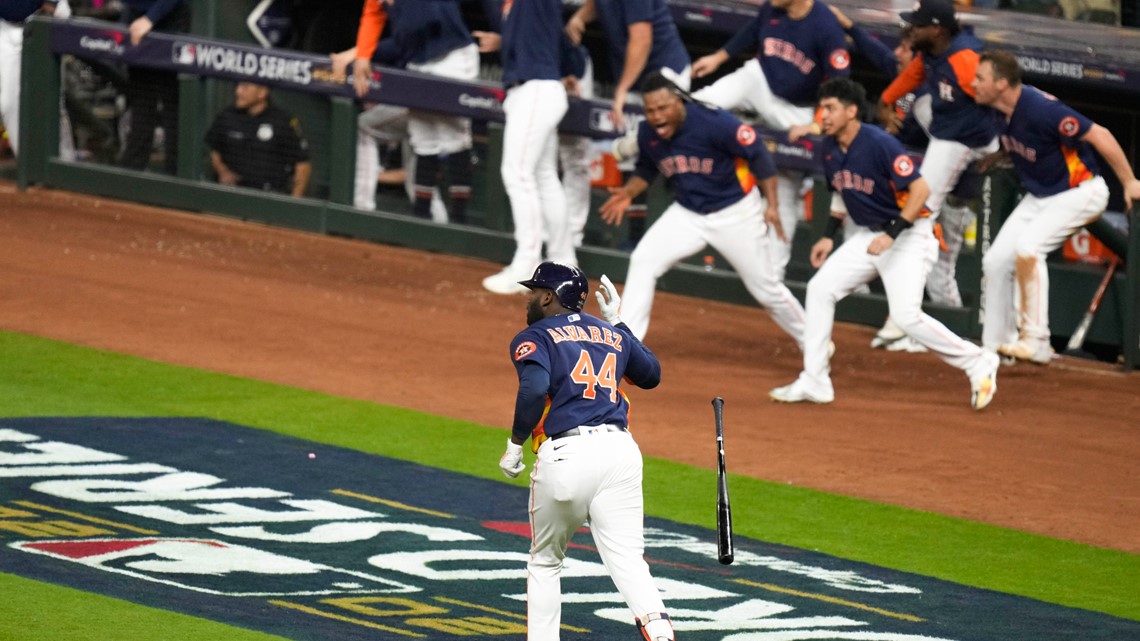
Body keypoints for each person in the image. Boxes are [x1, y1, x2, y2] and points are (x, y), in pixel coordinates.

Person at [769, 78, 999, 409]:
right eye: (822, 108)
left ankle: (978, 361)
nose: (825, 115)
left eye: (831, 108)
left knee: (906, 316)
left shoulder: (878, 142)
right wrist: (827, 235)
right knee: (820, 289)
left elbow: (920, 192)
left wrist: (891, 234)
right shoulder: (830, 148)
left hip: (909, 234)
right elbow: (840, 192)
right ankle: (815, 380)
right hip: (870, 236)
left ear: (851, 112)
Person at [498, 261, 675, 641]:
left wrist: (515, 444)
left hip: (568, 456)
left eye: (534, 292)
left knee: (545, 562)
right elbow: (651, 375)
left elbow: (533, 390)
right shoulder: (608, 332)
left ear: (548, 297)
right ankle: (660, 634)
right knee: (629, 561)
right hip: (621, 453)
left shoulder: (537, 334)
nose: (529, 299)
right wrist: (618, 324)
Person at [599, 73, 807, 343]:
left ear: (679, 102)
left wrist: (773, 206)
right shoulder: (649, 132)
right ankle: (627, 345)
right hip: (687, 214)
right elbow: (647, 169)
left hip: (735, 213)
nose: (656, 116)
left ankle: (813, 341)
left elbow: (758, 153)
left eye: (663, 108)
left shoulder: (714, 122)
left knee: (767, 290)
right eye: (650, 110)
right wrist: (629, 192)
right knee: (643, 261)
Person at [972, 50, 1140, 363]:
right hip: (1042, 195)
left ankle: (1036, 340)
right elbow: (1033, 147)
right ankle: (994, 349)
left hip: (1082, 191)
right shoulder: (997, 110)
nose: (974, 83)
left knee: (1029, 249)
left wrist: (1129, 181)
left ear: (1002, 83)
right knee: (996, 261)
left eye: (980, 78)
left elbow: (1099, 134)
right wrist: (998, 157)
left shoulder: (1040, 109)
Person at [830, 7, 978, 353]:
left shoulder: (935, 95)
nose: (897, 53)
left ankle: (952, 331)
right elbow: (877, 52)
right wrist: (850, 25)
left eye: (906, 48)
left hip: (948, 192)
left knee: (941, 270)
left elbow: (950, 150)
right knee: (871, 240)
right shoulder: (905, 76)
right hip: (912, 195)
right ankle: (893, 319)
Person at [689, 0, 852, 281]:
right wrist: (719, 57)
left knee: (786, 189)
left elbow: (842, 86)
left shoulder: (825, 26)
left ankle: (771, 276)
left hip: (796, 109)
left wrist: (816, 122)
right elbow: (753, 30)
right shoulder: (772, 9)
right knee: (699, 105)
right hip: (760, 81)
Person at [874, 0, 998, 328]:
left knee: (920, 206)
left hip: (965, 139)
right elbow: (910, 78)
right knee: (922, 103)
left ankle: (904, 316)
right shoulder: (931, 54)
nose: (910, 29)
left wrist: (1004, 144)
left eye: (917, 25)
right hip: (950, 130)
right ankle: (915, 314)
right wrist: (886, 100)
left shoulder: (963, 59)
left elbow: (998, 96)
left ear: (937, 29)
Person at [335, 0, 482, 223]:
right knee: (424, 139)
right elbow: (372, 15)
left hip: (453, 55)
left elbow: (421, 24)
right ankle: (422, 219)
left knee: (455, 138)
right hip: (419, 61)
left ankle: (459, 221)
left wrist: (362, 52)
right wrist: (363, 54)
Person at [565, 0, 692, 249]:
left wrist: (621, 90)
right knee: (630, 155)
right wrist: (580, 16)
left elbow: (642, 39)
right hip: (636, 77)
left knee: (664, 151)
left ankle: (673, 243)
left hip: (665, 74)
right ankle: (634, 240)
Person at [474, 0, 577, 295]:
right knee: (543, 175)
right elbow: (550, 35)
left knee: (517, 173)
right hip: (533, 89)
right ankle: (564, 262)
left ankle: (528, 265)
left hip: (537, 89)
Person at [119, 0, 190, 174]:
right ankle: (131, 171)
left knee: (172, 107)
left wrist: (150, 18)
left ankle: (176, 177)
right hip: (136, 19)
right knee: (141, 104)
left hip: (169, 20)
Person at [204, 83, 311, 197]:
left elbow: (303, 165)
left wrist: (293, 202)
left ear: (262, 93)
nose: (238, 92)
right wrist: (223, 171)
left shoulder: (283, 121)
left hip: (270, 197)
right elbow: (214, 148)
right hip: (231, 194)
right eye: (238, 86)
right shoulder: (227, 115)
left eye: (245, 88)